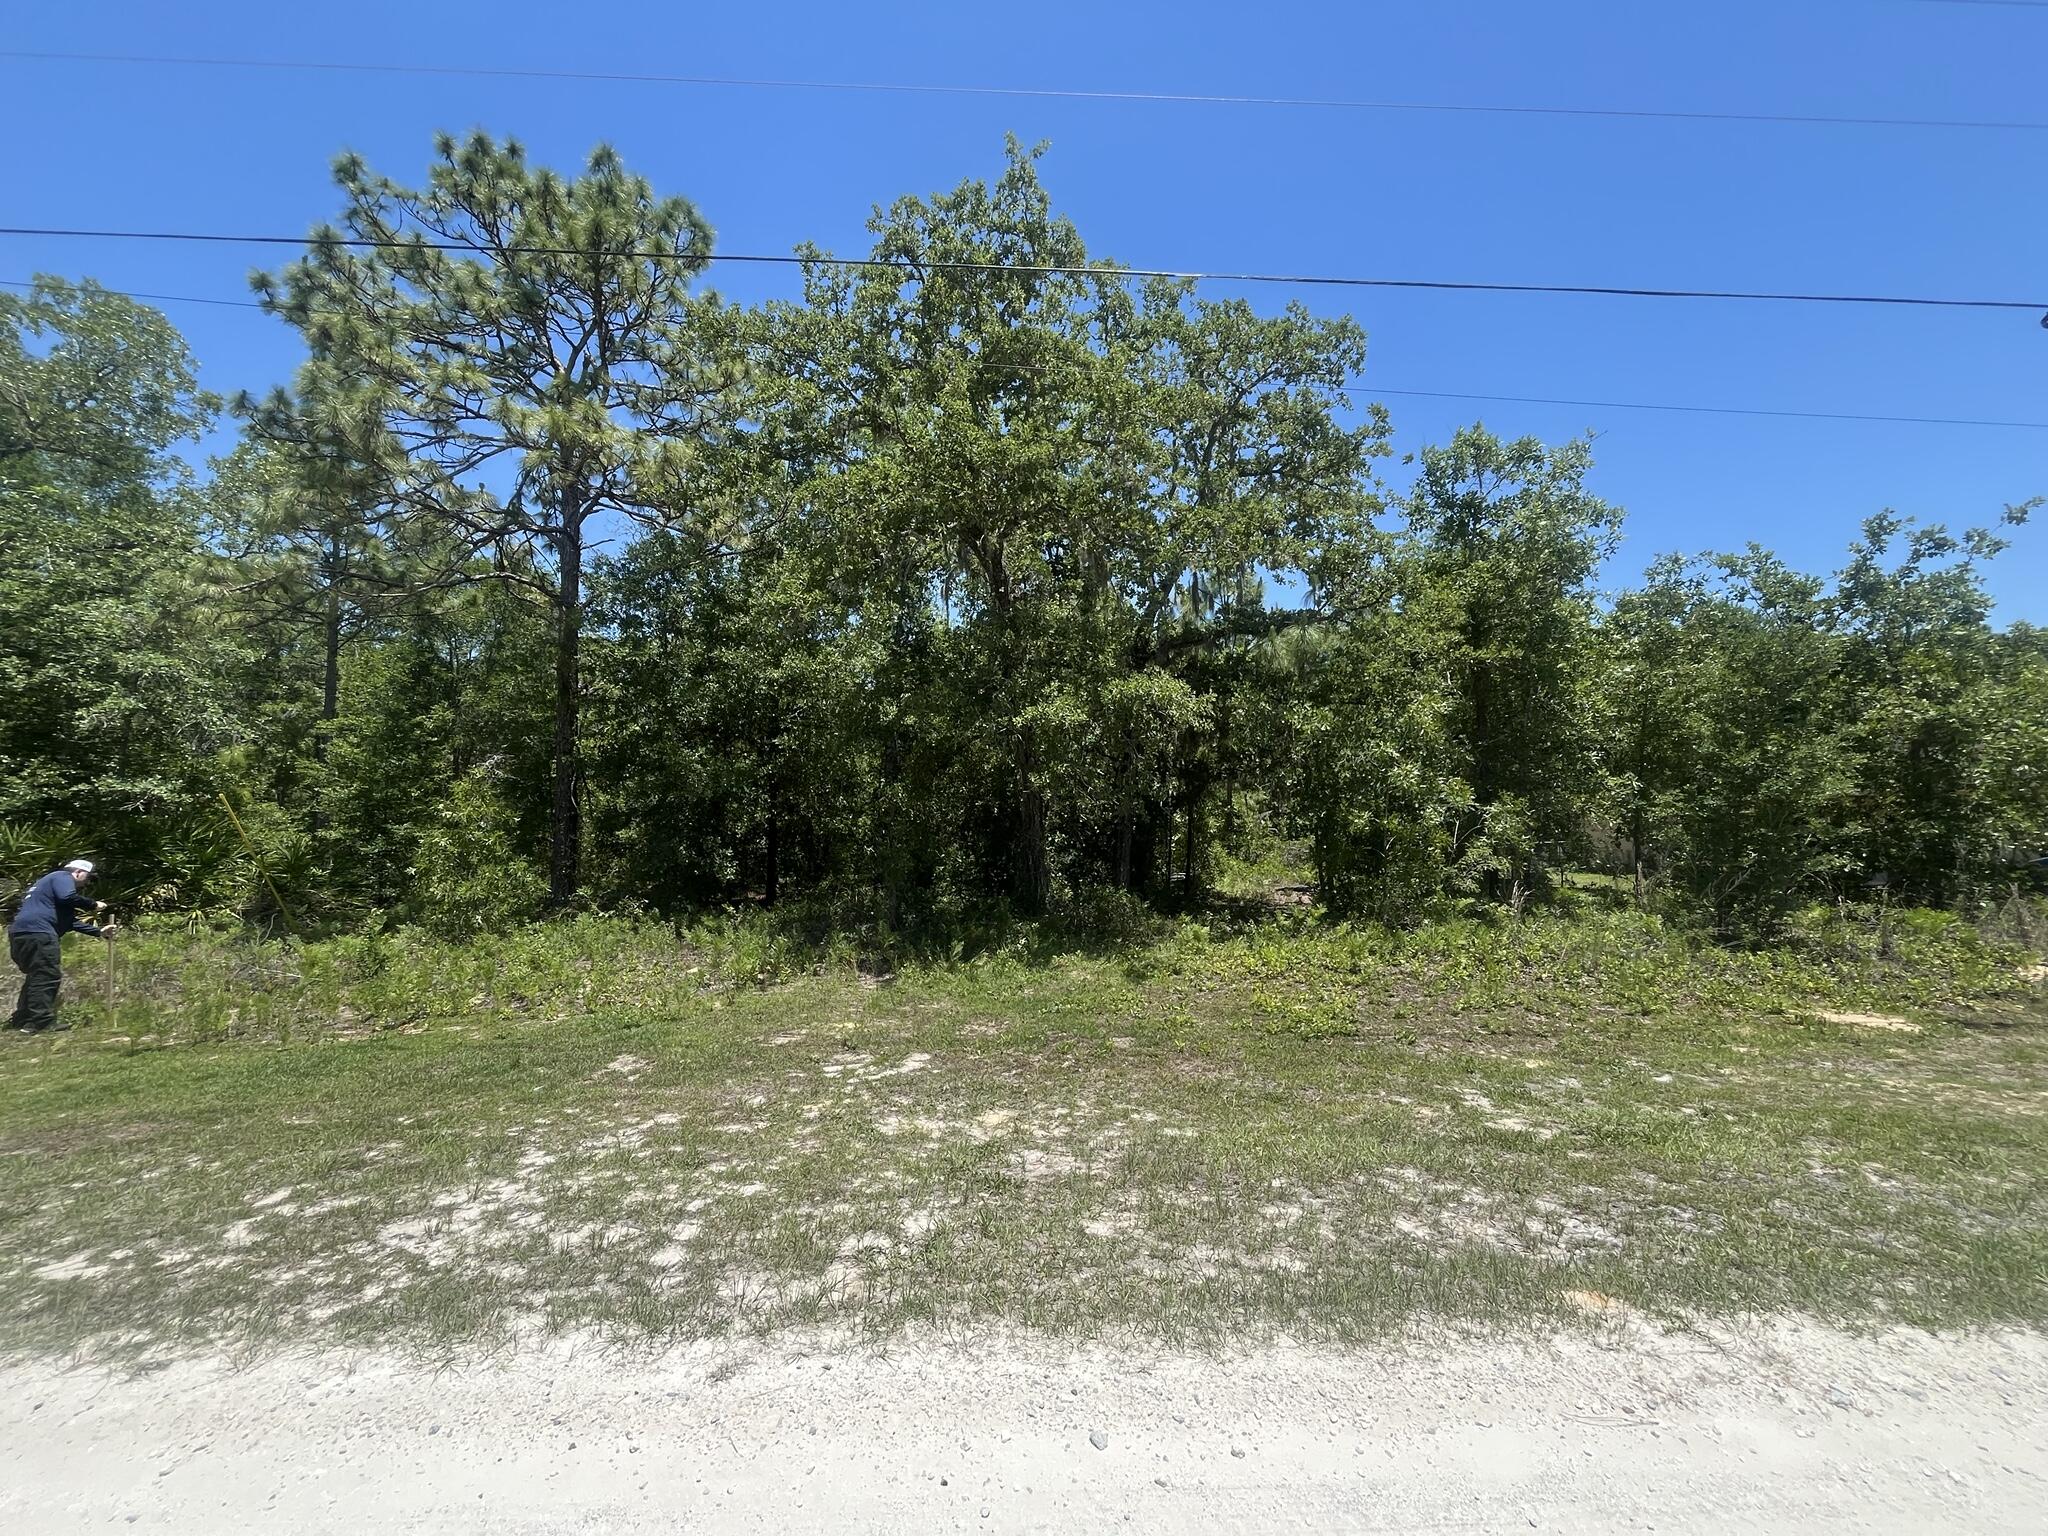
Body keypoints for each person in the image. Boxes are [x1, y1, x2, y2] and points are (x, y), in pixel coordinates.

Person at [7, 859, 115, 1034]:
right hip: (39, 933)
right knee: (47, 975)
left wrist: (98, 932)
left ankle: (23, 1019)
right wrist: (93, 904)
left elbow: (68, 921)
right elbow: (68, 897)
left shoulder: (46, 888)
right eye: (88, 878)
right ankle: (41, 1022)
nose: (87, 883)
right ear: (78, 872)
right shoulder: (61, 877)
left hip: (20, 933)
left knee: (37, 976)